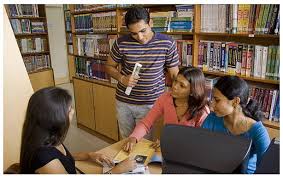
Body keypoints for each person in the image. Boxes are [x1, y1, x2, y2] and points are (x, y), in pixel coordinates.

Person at [20, 87, 137, 174]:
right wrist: (117, 171)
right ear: (56, 118)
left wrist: (89, 155)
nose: (73, 112)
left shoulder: (49, 136)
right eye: (70, 109)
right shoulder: (45, 159)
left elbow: (63, 159)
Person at [105, 6, 179, 139]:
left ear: (150, 23)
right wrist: (122, 78)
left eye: (143, 30)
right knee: (126, 142)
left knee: (143, 146)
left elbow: (175, 76)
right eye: (133, 33)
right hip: (124, 103)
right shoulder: (121, 43)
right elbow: (109, 66)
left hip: (151, 104)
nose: (139, 37)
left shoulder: (167, 43)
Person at [123, 66, 210, 152]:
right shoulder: (165, 98)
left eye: (182, 86)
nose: (175, 86)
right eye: (175, 81)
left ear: (192, 91)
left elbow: (200, 143)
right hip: (166, 152)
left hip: (189, 155)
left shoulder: (202, 111)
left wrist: (169, 143)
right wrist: (134, 137)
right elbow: (146, 122)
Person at [201, 76, 270, 174]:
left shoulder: (258, 131)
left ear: (235, 101)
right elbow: (200, 151)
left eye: (217, 100)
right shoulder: (212, 119)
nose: (211, 105)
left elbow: (267, 169)